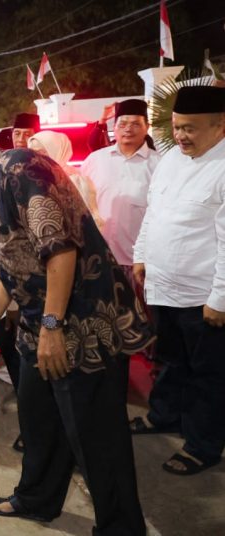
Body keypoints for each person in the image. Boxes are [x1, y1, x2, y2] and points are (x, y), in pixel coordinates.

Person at [0, 112, 152, 534]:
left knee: (97, 437)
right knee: (39, 419)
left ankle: (121, 528)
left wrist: (51, 328)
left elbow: (59, 250)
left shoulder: (20, 168)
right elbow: (9, 268)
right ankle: (38, 498)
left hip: (80, 328)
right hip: (38, 327)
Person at [131, 85, 225, 476]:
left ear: (220, 125)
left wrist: (220, 299)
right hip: (164, 287)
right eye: (177, 127)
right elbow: (154, 212)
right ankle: (164, 415)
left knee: (208, 374)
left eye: (190, 128)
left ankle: (203, 445)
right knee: (169, 361)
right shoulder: (171, 159)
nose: (181, 136)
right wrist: (141, 254)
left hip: (203, 296)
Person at [81, 99, 160, 288]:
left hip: (139, 263)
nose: (128, 129)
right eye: (123, 124)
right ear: (114, 127)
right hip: (97, 258)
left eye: (135, 124)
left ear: (147, 127)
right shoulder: (95, 160)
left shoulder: (158, 164)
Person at [28, 130, 104, 230]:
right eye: (32, 153)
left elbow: (90, 219)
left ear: (57, 151)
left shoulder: (75, 180)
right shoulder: (32, 178)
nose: (36, 158)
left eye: (41, 152)